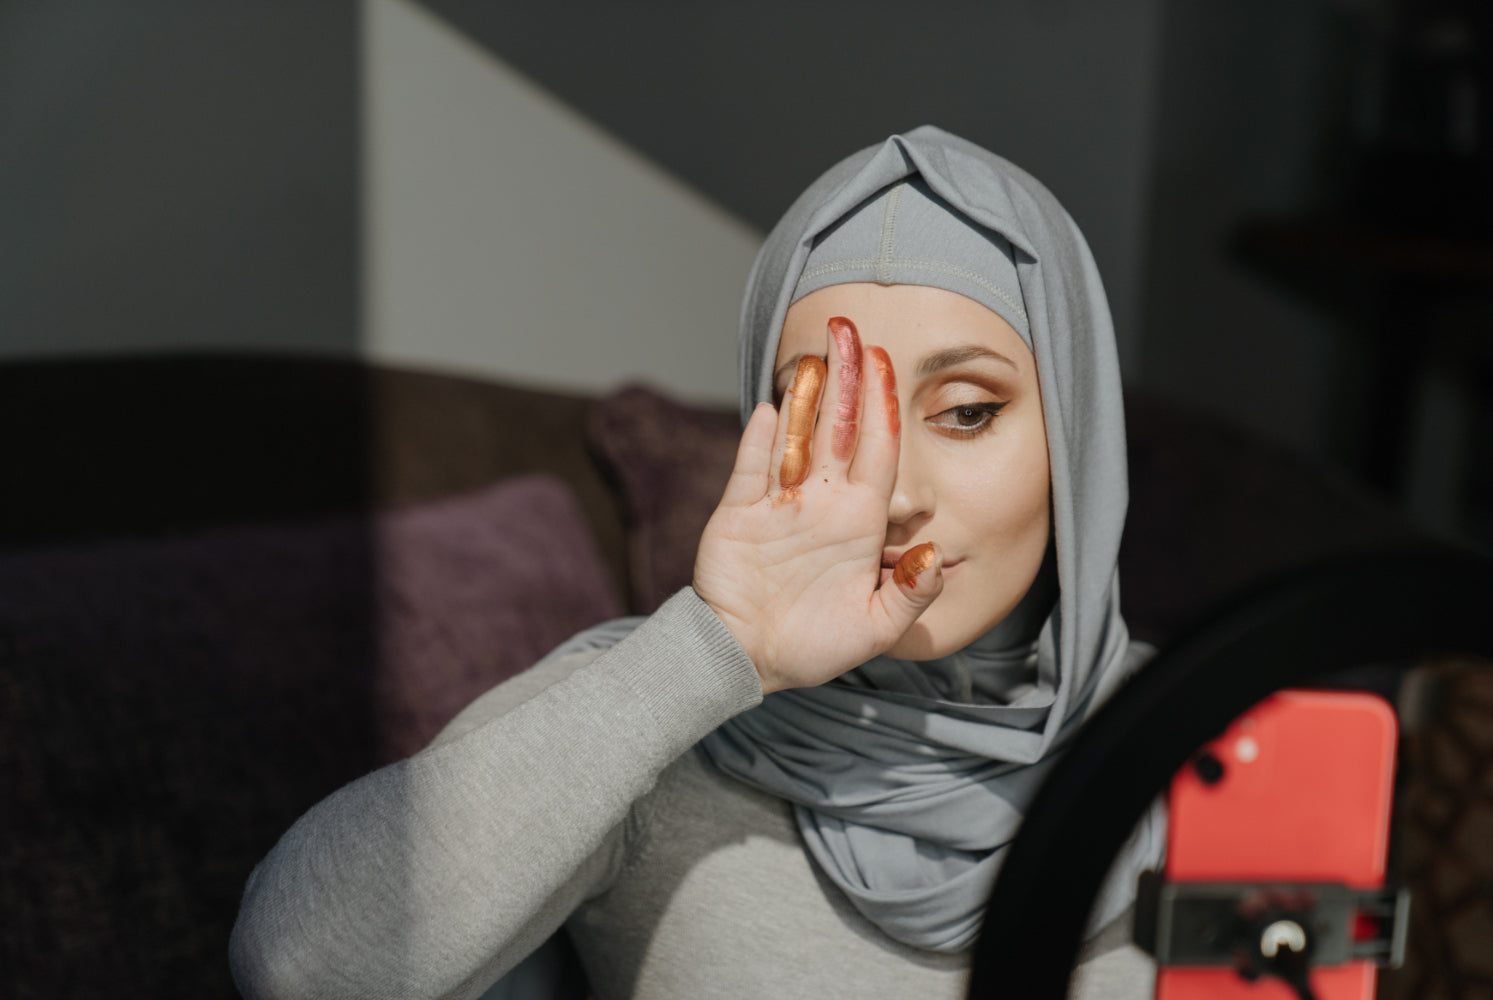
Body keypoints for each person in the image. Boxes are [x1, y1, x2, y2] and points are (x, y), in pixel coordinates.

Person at [229, 125, 1163, 999]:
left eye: (965, 411)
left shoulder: (1219, 734)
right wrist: (718, 650)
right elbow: (300, 967)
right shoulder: (649, 719)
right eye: (824, 416)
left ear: (1077, 444)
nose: (894, 492)